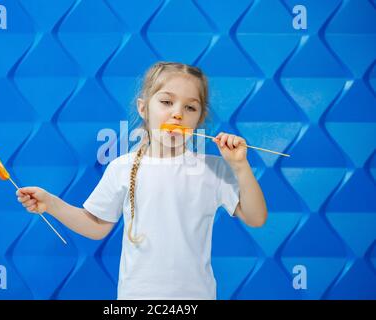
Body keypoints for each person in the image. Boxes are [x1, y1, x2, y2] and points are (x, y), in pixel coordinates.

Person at [16, 62, 268, 300]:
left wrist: (240, 166)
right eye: (167, 102)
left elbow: (256, 218)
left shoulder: (214, 169)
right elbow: (96, 226)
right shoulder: (121, 167)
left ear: (199, 118)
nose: (177, 114)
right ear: (143, 108)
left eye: (190, 107)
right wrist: (50, 203)